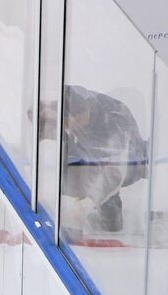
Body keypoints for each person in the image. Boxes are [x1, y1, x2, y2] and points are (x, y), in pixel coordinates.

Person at [38, 85, 148, 232]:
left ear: (83, 115)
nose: (68, 128)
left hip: (129, 162)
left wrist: (84, 206)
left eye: (70, 124)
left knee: (103, 183)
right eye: (64, 123)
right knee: (73, 173)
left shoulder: (112, 128)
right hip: (92, 151)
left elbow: (115, 172)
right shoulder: (68, 105)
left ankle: (109, 216)